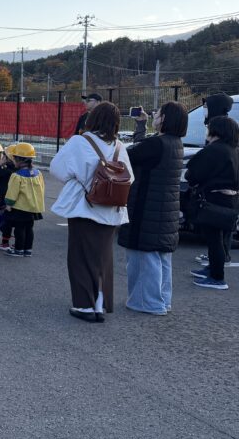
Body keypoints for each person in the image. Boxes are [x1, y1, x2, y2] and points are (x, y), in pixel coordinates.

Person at [50, 102, 134, 322]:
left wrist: (79, 179)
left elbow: (57, 168)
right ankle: (100, 304)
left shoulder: (80, 141)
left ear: (92, 119)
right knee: (102, 259)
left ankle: (84, 306)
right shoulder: (119, 147)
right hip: (112, 209)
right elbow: (130, 177)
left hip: (84, 206)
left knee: (80, 257)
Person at [117, 102, 186, 314]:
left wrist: (140, 128)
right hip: (164, 208)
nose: (154, 115)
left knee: (143, 255)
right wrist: (142, 126)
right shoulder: (174, 143)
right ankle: (162, 300)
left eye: (158, 113)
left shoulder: (157, 144)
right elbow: (142, 151)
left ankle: (147, 302)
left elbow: (129, 154)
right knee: (161, 256)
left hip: (147, 207)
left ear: (164, 119)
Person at [187, 115, 239, 291]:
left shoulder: (214, 150)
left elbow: (193, 174)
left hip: (214, 199)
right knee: (220, 238)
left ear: (216, 130)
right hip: (231, 200)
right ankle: (212, 269)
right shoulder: (233, 150)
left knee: (214, 239)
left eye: (209, 127)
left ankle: (217, 277)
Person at [4, 142, 45, 257]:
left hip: (20, 207)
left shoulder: (17, 175)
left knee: (19, 229)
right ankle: (28, 249)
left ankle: (18, 249)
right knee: (29, 228)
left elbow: (12, 192)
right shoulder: (38, 173)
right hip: (33, 207)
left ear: (18, 159)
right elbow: (42, 189)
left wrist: (9, 204)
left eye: (14, 158)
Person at [0, 143, 18, 248]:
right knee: (17, 223)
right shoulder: (18, 170)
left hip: (5, 199)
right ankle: (18, 243)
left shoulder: (5, 170)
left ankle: (5, 242)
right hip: (18, 200)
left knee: (5, 222)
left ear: (8, 158)